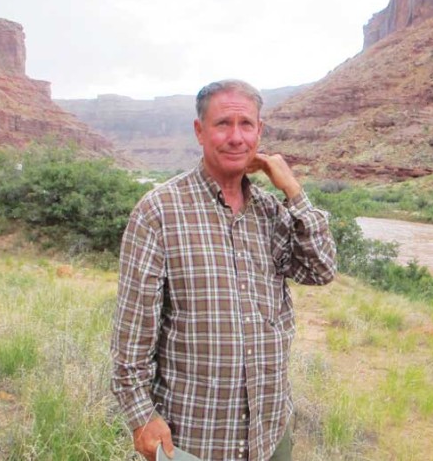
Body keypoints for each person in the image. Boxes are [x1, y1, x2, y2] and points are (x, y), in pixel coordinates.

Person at [111, 79, 337, 461]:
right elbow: (131, 337)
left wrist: (294, 192)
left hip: (269, 435)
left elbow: (321, 269)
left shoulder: (272, 211)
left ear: (259, 131)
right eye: (222, 124)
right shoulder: (159, 212)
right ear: (200, 131)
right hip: (193, 440)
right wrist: (141, 417)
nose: (236, 137)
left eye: (246, 124)